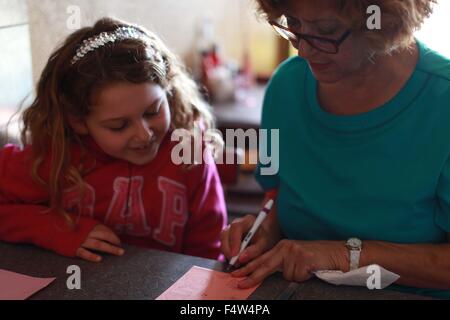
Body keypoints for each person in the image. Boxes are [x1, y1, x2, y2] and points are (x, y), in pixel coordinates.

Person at [221, 0, 450, 299]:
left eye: (326, 30)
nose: (303, 50)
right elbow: (277, 193)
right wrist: (264, 232)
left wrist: (344, 257)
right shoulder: (285, 86)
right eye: (294, 23)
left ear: (380, 22)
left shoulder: (442, 102)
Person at [0, 17, 227, 262]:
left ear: (168, 90)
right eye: (119, 126)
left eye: (153, 111)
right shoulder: (55, 158)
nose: (144, 134)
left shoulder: (189, 152)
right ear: (78, 121)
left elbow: (208, 250)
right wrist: (57, 229)